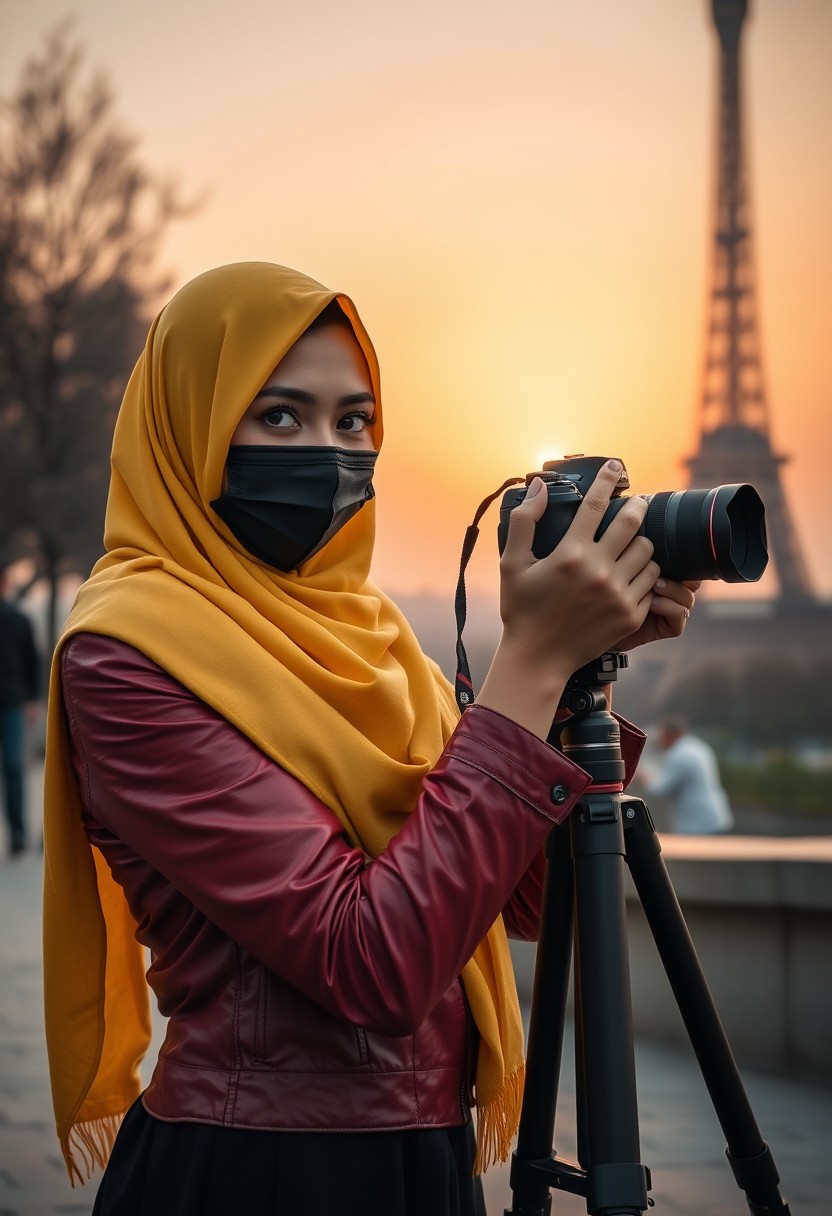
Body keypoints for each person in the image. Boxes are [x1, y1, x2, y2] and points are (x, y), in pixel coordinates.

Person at [42, 262, 697, 1216]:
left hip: (426, 1161)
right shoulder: (126, 654)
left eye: (353, 422)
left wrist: (568, 677)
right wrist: (527, 661)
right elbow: (372, 961)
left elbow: (524, 899)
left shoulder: (374, 639)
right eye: (278, 416)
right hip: (255, 1169)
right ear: (188, 430)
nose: (327, 449)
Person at [0, 564, 40, 857]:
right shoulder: (18, 617)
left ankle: (17, 834)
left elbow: (32, 660)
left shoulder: (18, 619)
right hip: (14, 702)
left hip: (13, 703)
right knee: (14, 768)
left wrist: (32, 700)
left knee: (14, 767)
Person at [644, 712, 734, 834]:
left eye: (661, 734)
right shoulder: (697, 746)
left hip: (700, 825)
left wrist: (641, 776)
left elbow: (658, 789)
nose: (659, 739)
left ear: (670, 734)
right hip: (714, 818)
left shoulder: (680, 754)